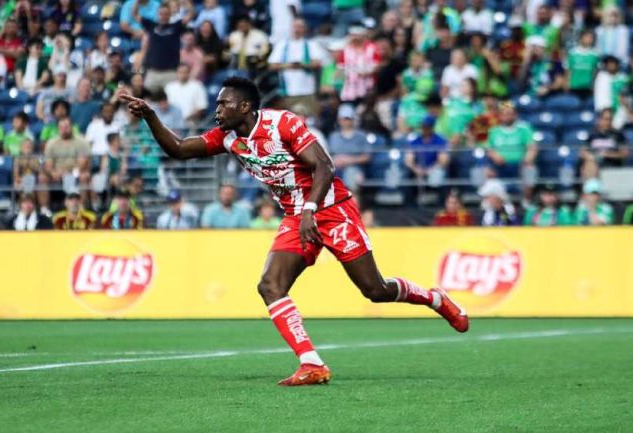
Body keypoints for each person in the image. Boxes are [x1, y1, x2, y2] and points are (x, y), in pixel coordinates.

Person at [119, 75, 469, 386]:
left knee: (374, 290)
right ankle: (311, 363)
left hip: (331, 209)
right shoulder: (227, 138)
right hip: (295, 215)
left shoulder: (282, 124)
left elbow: (324, 165)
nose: (218, 109)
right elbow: (179, 149)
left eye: (224, 103)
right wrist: (151, 116)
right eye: (217, 103)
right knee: (269, 285)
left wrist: (310, 210)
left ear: (244, 106)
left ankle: (434, 298)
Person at [268, 18, 325, 115]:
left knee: (310, 117)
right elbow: (272, 65)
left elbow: (318, 63)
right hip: (288, 90)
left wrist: (302, 65)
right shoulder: (282, 45)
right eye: (295, 27)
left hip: (308, 90)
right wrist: (290, 65)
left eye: (300, 27)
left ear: (305, 29)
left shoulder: (311, 44)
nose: (297, 30)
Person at [137, 3, 187, 91]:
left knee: (172, 99)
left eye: (166, 14)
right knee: (146, 99)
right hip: (153, 72)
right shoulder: (152, 25)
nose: (163, 16)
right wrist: (138, 2)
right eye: (161, 13)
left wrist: (185, 2)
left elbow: (191, 14)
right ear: (158, 14)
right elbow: (134, 14)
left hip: (170, 72)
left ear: (170, 14)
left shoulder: (176, 26)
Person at [486, 102, 538, 180]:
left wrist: (527, 160)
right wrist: (495, 156)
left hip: (519, 165)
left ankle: (526, 192)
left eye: (509, 113)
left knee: (530, 169)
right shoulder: (494, 131)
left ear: (515, 114)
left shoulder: (524, 129)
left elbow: (532, 148)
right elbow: (489, 149)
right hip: (499, 166)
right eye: (503, 113)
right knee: (484, 169)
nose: (506, 116)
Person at [326, 104, 371, 192]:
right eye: (343, 118)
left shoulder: (361, 136)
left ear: (353, 119)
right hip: (335, 169)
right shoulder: (333, 136)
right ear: (339, 120)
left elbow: (367, 157)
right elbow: (326, 155)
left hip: (354, 169)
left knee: (352, 178)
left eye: (348, 118)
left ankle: (354, 204)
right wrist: (334, 161)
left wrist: (348, 160)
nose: (345, 121)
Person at [581, 109, 630, 179]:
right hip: (594, 162)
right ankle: (592, 187)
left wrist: (607, 154)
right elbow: (582, 151)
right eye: (605, 119)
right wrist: (591, 157)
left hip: (611, 164)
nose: (607, 122)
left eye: (610, 119)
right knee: (590, 163)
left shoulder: (618, 135)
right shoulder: (592, 135)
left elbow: (626, 153)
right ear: (599, 119)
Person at [404, 115, 449, 187]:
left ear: (431, 127)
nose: (423, 128)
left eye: (426, 126)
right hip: (418, 172)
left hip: (434, 171)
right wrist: (416, 169)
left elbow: (443, 161)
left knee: (440, 176)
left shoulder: (440, 141)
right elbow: (408, 160)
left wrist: (429, 170)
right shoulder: (415, 141)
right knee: (408, 177)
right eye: (422, 126)